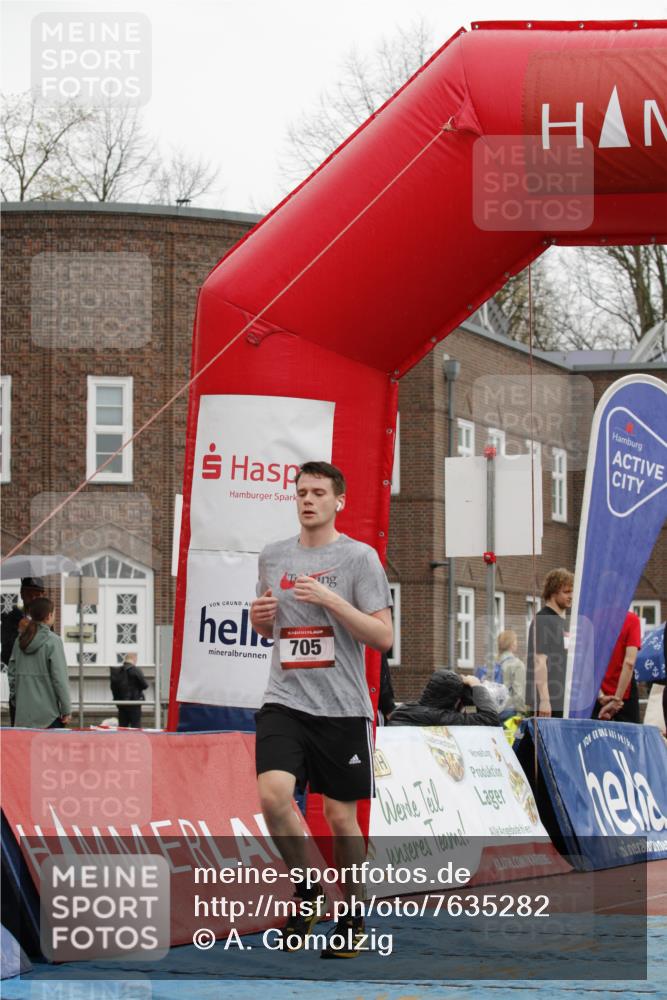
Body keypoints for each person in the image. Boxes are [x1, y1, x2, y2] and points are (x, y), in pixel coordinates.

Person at [250, 461, 393, 958]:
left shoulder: (360, 559)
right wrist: (258, 618)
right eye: (301, 492)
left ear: (339, 501)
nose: (307, 500)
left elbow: (383, 636)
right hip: (284, 699)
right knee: (273, 797)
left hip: (341, 707)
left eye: (317, 493)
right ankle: (308, 889)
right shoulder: (273, 556)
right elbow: (269, 629)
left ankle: (352, 912)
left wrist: (333, 601)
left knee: (338, 816)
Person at [7, 597, 71, 728]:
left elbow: (11, 674)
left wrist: (15, 700)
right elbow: (60, 679)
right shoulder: (53, 641)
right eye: (53, 614)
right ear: (49, 616)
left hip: (23, 715)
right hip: (48, 717)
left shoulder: (19, 641)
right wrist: (66, 709)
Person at [526, 568, 574, 718]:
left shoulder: (562, 622)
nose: (571, 596)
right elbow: (540, 661)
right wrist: (545, 700)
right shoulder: (543, 620)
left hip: (562, 699)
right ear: (553, 592)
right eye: (566, 592)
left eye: (572, 592)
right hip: (549, 702)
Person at [1, 577, 46, 724]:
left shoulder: (47, 620)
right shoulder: (10, 619)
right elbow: (6, 655)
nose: (34, 599)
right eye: (30, 594)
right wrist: (19, 635)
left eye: (38, 595)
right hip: (21, 689)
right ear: (22, 594)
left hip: (43, 691)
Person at [388, 670, 500, 727]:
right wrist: (476, 686)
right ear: (454, 700)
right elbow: (490, 718)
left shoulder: (402, 710)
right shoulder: (442, 718)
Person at [593, 611, 641, 723]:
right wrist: (617, 700)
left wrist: (600, 695)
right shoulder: (631, 619)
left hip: (597, 691)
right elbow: (629, 662)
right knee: (629, 738)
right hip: (625, 694)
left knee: (595, 737)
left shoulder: (594, 618)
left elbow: (586, 660)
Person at [110, 653, 148, 728]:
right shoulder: (136, 670)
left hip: (122, 703)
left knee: (122, 727)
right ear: (134, 658)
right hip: (134, 703)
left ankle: (123, 739)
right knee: (135, 726)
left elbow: (113, 687)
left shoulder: (117, 671)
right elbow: (144, 685)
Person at [496, 629, 527, 717]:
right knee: (513, 731)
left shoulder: (492, 664)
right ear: (512, 644)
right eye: (516, 640)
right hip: (509, 714)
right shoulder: (517, 664)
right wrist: (521, 715)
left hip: (492, 713)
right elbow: (519, 694)